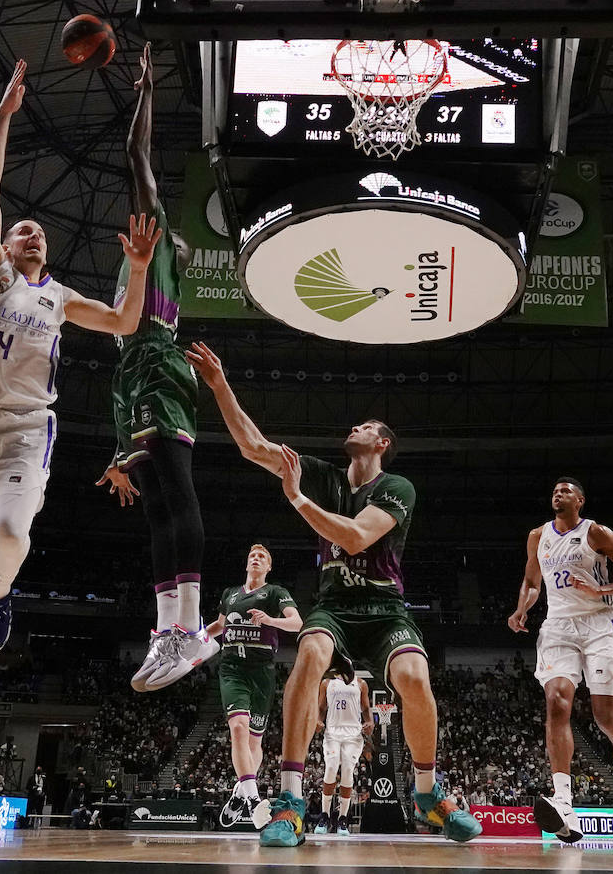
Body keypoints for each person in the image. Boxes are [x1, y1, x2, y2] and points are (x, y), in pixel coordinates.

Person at [0, 58, 163, 725]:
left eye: (38, 232)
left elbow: (127, 322)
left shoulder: (62, 298)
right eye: (23, 229)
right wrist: (1, 119)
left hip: (22, 427)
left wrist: (135, 270)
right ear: (5, 245)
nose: (33, 232)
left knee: (13, 530)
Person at [185, 341, 481, 847]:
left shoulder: (398, 488)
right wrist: (219, 384)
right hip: (335, 607)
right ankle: (291, 799)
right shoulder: (322, 476)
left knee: (414, 675)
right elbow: (254, 447)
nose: (354, 429)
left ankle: (428, 794)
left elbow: (356, 537)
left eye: (365, 427)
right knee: (308, 656)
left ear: (383, 443)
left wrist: (297, 499)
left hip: (384, 607)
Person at [93, 43, 210, 693]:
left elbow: (135, 158)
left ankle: (189, 629)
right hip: (133, 377)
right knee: (156, 510)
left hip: (161, 366)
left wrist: (145, 92)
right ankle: (168, 631)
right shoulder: (133, 268)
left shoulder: (154, 233)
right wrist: (115, 447)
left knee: (176, 492)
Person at [507, 478, 613, 843]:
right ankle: (564, 802)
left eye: (565, 491)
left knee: (604, 715)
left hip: (598, 625)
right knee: (556, 701)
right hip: (558, 626)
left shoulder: (597, 533)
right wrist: (521, 610)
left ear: (580, 500)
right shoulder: (537, 536)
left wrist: (602, 589)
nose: (557, 494)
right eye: (554, 491)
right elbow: (532, 583)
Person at [206, 544, 302, 828]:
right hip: (232, 668)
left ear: (268, 567)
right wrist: (191, 637)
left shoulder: (275, 592)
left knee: (255, 742)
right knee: (238, 728)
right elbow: (219, 627)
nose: (256, 558)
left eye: (262, 557)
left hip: (261, 671)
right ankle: (252, 799)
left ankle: (239, 792)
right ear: (247, 564)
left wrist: (269, 619)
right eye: (252, 556)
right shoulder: (230, 594)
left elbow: (296, 623)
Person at [312, 655, 372, 836]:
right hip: (332, 733)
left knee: (347, 771)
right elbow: (321, 707)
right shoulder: (326, 683)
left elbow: (366, 708)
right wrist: (317, 720)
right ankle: (324, 816)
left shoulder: (360, 683)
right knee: (330, 768)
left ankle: (343, 819)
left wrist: (370, 722)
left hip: (353, 735)